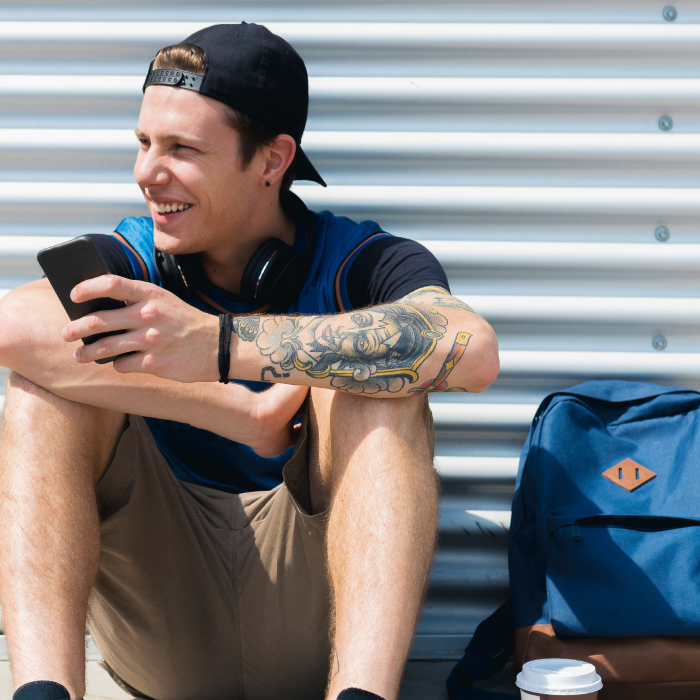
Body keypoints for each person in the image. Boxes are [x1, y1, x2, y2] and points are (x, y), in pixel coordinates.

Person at [0, 23, 499, 700]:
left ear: (271, 160)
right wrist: (236, 410)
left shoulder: (363, 260)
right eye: (145, 143)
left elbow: (470, 350)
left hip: (315, 621)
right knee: (42, 391)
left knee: (377, 382)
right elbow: (11, 327)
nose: (148, 172)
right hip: (161, 618)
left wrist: (219, 344)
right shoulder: (138, 258)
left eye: (183, 149)